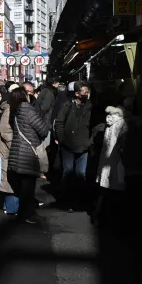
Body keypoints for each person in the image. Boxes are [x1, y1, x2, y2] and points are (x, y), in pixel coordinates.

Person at [7, 86, 49, 224]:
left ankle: (27, 214)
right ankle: (27, 215)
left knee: (23, 188)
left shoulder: (14, 110)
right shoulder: (27, 108)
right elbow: (42, 129)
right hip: (28, 153)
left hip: (16, 152)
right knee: (28, 189)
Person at [55, 81, 93, 213]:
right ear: (77, 93)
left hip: (84, 145)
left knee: (81, 174)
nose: (87, 94)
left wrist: (89, 142)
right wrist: (62, 139)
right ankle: (66, 201)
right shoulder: (67, 106)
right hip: (68, 145)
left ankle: (80, 201)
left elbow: (94, 126)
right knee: (68, 172)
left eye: (88, 92)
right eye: (84, 92)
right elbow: (59, 123)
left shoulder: (90, 106)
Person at [92, 106, 126, 227]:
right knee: (115, 193)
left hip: (105, 163)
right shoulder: (122, 125)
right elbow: (123, 146)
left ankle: (98, 217)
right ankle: (111, 221)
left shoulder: (108, 124)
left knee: (103, 191)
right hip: (117, 163)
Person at [0, 84, 20, 215]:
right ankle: (11, 209)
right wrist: (15, 147)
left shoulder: (10, 109)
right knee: (10, 181)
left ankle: (7, 206)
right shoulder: (9, 110)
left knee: (7, 181)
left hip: (6, 151)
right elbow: (5, 131)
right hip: (6, 151)